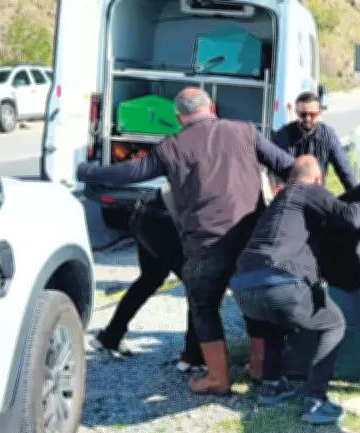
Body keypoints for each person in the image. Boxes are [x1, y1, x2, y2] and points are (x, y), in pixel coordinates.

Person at [77, 87, 296, 395]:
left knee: (204, 306)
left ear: (178, 118)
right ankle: (259, 368)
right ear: (212, 108)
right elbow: (288, 165)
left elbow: (130, 172)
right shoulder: (246, 131)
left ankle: (217, 378)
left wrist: (88, 172)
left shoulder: (171, 147)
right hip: (249, 240)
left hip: (205, 243)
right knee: (254, 303)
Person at [230, 155, 360, 424]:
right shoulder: (307, 190)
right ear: (319, 179)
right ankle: (315, 401)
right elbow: (351, 217)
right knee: (334, 324)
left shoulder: (278, 203)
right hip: (280, 281)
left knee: (273, 321)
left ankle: (272, 385)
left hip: (243, 288)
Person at [90, 187, 206, 373]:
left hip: (146, 210)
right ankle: (193, 357)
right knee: (199, 286)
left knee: (150, 278)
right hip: (166, 219)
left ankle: (110, 337)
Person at [271, 92, 358, 191]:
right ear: (296, 112)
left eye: (313, 114)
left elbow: (345, 171)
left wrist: (357, 200)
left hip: (316, 195)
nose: (308, 119)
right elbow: (272, 168)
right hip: (289, 195)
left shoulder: (328, 136)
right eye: (303, 114)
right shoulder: (283, 135)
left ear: (319, 112)